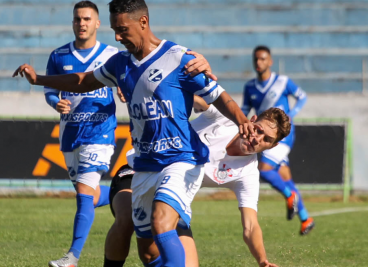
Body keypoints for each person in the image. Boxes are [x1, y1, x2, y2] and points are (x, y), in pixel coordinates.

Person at [14, 0, 254, 267]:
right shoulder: (120, 63)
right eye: (115, 30)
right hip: (144, 165)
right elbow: (83, 80)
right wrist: (39, 80)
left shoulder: (180, 59)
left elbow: (218, 95)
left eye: (122, 30)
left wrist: (242, 120)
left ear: (143, 21)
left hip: (181, 161)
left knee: (162, 223)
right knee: (149, 252)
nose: (117, 37)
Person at [103, 101, 287, 267]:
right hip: (138, 170)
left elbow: (251, 225)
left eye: (267, 140)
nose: (257, 138)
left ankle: (96, 196)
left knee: (166, 259)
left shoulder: (248, 173)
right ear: (252, 120)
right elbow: (196, 97)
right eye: (259, 129)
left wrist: (263, 261)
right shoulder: (223, 118)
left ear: (272, 147)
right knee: (126, 220)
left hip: (173, 191)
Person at [44, 0, 119, 267]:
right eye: (77, 19)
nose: (82, 23)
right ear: (72, 22)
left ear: (98, 23)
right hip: (70, 134)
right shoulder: (59, 56)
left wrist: (123, 90)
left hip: (100, 133)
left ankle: (72, 257)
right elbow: (50, 90)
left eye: (87, 19)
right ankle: (128, 192)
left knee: (83, 194)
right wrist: (55, 102)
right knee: (88, 193)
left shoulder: (113, 55)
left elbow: (128, 82)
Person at [241, 45, 314, 235]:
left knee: (264, 170)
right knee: (285, 177)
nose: (259, 62)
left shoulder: (282, 81)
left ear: (270, 61)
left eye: (263, 59)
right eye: (256, 59)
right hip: (263, 136)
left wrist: (292, 114)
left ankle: (290, 197)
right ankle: (306, 219)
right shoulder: (250, 87)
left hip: (282, 136)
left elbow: (302, 96)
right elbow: (244, 109)